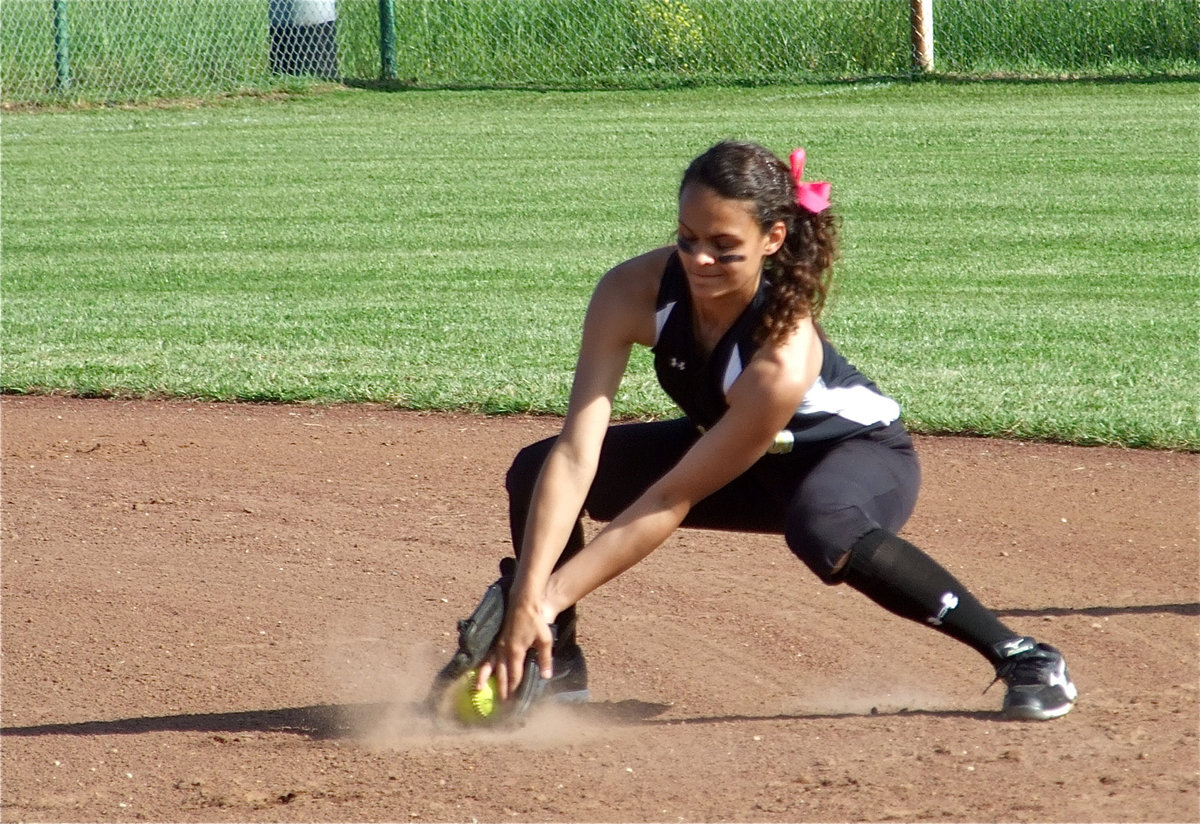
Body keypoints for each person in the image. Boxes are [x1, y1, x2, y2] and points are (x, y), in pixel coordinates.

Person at [474, 140, 1077, 721]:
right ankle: (557, 660)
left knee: (823, 525)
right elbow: (579, 453)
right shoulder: (630, 291)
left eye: (724, 245)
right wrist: (531, 597)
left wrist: (542, 598)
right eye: (687, 239)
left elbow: (668, 497)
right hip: (736, 454)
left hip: (849, 458)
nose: (700, 259)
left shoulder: (781, 356)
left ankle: (1023, 656)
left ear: (773, 239)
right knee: (538, 465)